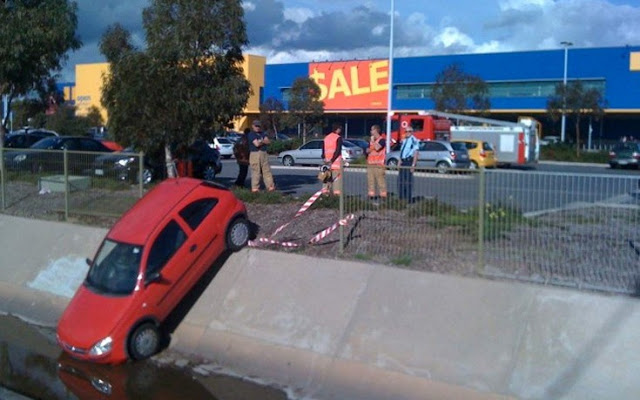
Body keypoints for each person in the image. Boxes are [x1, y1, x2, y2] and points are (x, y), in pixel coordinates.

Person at [248, 120, 276, 192]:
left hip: (263, 153)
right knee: (256, 171)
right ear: (253, 126)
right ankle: (255, 189)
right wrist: (263, 141)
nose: (257, 127)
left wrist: (261, 141)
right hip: (255, 153)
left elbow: (268, 141)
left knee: (267, 170)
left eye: (259, 126)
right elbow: (256, 144)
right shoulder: (251, 134)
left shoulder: (263, 133)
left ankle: (270, 187)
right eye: (256, 126)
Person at [398, 127, 419, 202]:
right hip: (403, 162)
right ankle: (401, 198)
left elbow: (416, 153)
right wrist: (400, 160)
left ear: (412, 132)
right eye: (406, 131)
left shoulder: (414, 140)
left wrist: (413, 165)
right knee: (401, 180)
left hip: (409, 161)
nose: (407, 133)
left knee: (408, 181)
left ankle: (408, 199)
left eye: (409, 131)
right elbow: (402, 152)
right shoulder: (404, 140)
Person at [321, 122, 343, 195]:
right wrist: (332, 160)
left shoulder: (326, 138)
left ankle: (325, 195)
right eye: (340, 129)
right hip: (335, 163)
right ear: (337, 129)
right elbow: (338, 150)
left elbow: (323, 150)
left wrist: (325, 159)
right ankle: (336, 196)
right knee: (336, 180)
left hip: (326, 163)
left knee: (326, 179)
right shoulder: (338, 138)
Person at [366, 124, 387, 199]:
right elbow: (368, 150)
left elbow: (378, 148)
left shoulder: (382, 140)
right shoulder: (371, 141)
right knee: (370, 180)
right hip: (371, 163)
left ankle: (383, 195)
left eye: (372, 130)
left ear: (376, 130)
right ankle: (371, 195)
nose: (371, 131)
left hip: (379, 164)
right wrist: (370, 147)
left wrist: (373, 142)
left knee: (380, 181)